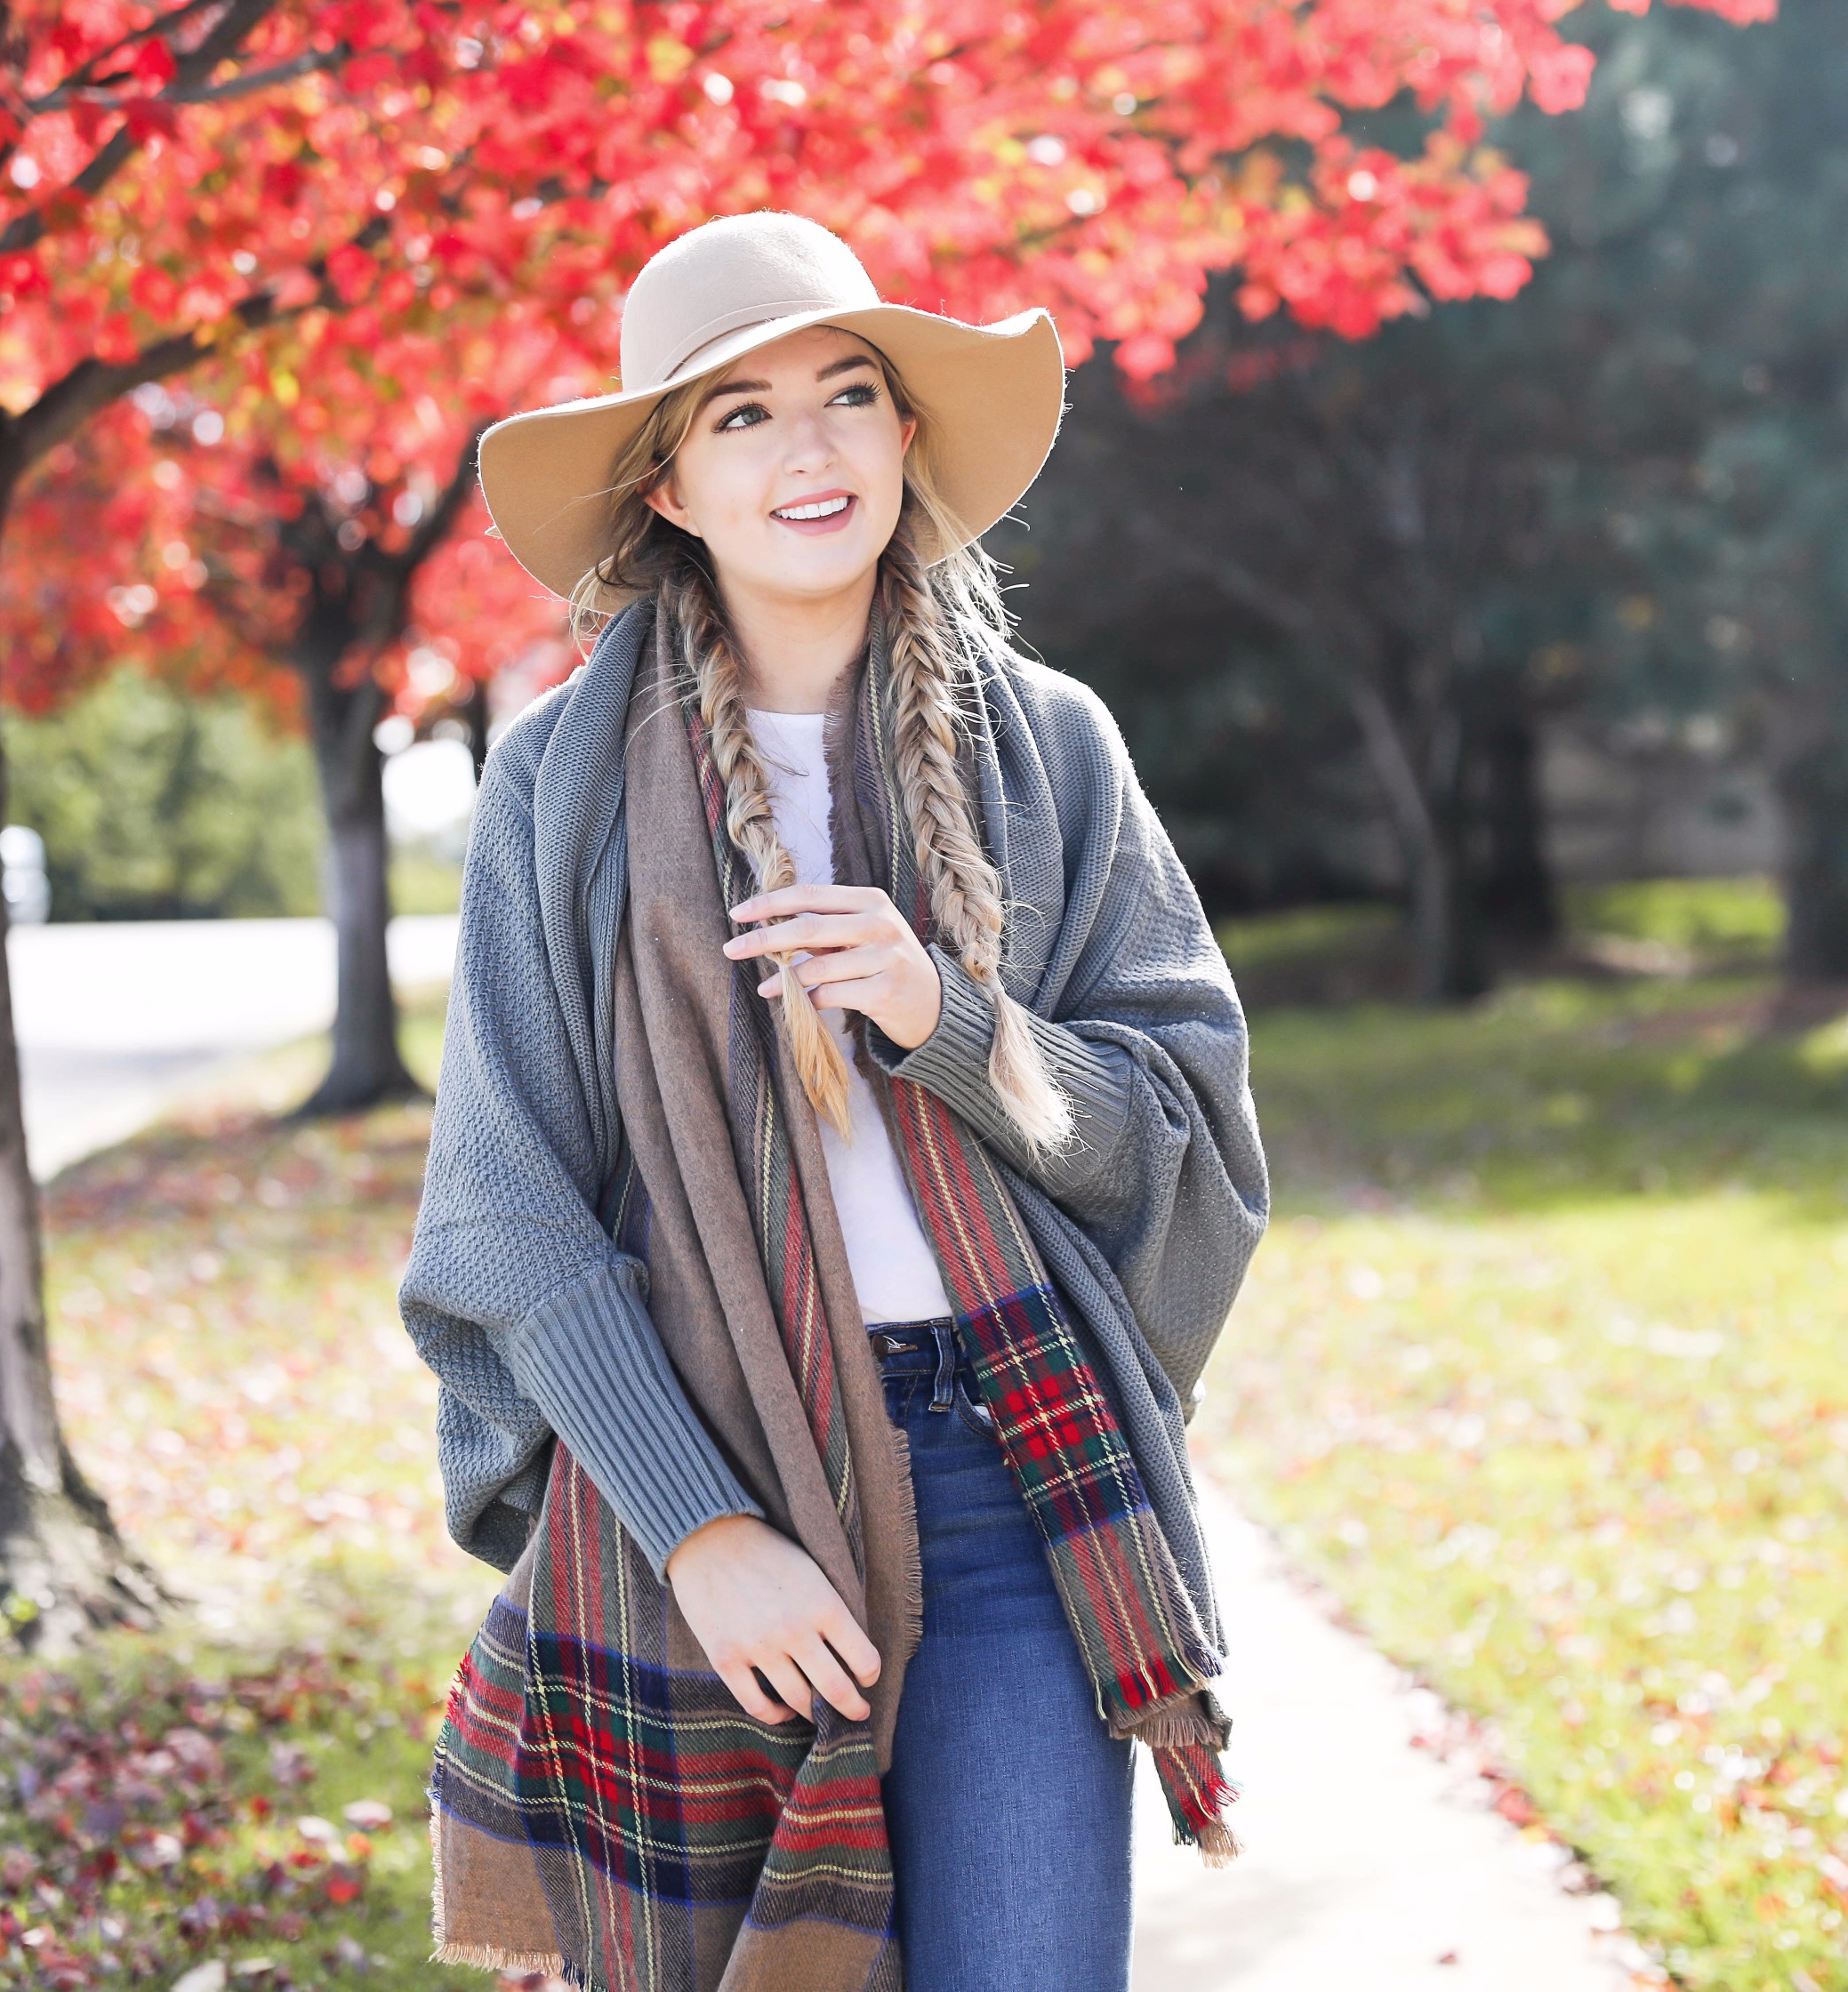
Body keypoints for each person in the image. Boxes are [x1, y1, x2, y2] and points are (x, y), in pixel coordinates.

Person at [399, 210, 1269, 1992]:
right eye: (743, 414)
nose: (811, 449)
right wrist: (704, 1531)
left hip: (1016, 1474)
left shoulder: (1054, 746)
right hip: (707, 1474)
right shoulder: (558, 784)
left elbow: (1184, 1134)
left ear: (905, 439)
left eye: (849, 395)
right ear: (666, 488)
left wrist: (953, 1018)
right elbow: (506, 1207)